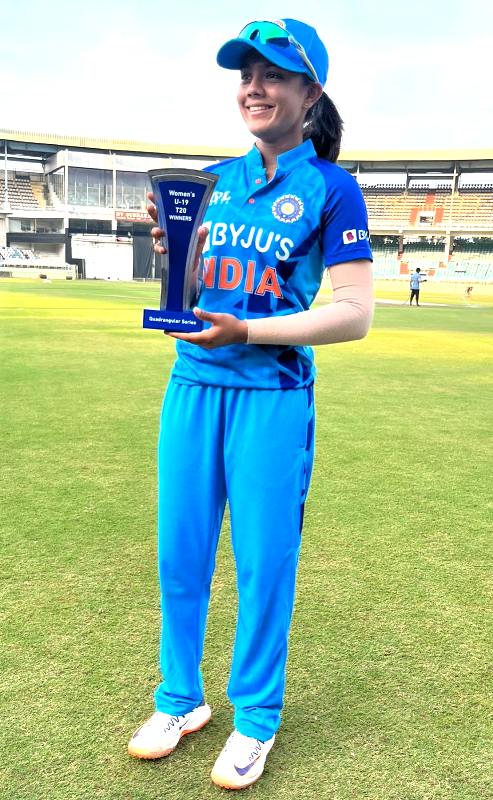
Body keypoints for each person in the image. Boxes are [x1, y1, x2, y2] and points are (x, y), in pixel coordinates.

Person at [128, 18, 373, 790]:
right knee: (181, 556)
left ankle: (256, 718)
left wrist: (249, 330)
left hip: (270, 399)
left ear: (310, 91)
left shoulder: (332, 188)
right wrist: (178, 256)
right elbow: (195, 294)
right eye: (244, 74)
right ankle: (179, 700)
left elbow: (354, 312)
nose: (253, 87)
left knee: (263, 564)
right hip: (191, 391)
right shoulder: (210, 177)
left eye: (272, 74)